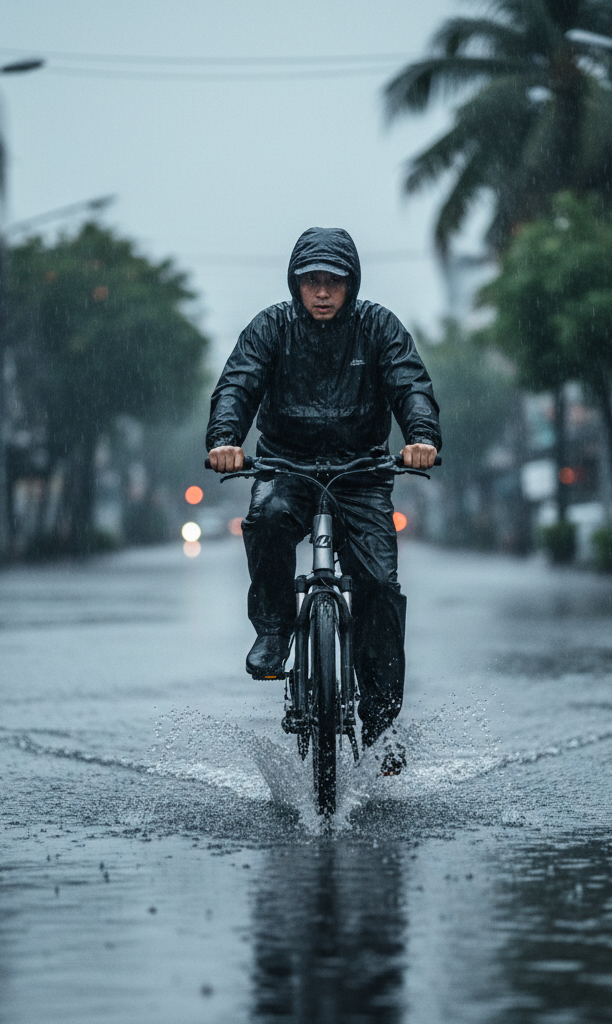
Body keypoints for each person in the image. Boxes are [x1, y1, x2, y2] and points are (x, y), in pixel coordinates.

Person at [206, 226, 441, 759]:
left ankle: (381, 726)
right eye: (311, 280)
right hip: (285, 466)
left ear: (351, 283)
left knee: (379, 585)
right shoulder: (270, 328)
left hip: (362, 472)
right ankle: (273, 629)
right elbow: (238, 384)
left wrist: (422, 437)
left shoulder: (379, 327)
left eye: (333, 281)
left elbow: (410, 384)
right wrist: (224, 440)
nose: (322, 292)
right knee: (266, 519)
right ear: (295, 284)